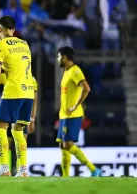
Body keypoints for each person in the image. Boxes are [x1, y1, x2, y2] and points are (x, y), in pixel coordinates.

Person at [0, 15, 35, 177]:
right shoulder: (25, 44)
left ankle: (4, 169)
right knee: (18, 131)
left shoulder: (0, 45)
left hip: (13, 91)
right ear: (13, 30)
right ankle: (23, 171)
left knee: (0, 127)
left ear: (0, 29)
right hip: (29, 91)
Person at [56, 46, 102, 177]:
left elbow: (86, 88)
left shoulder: (75, 71)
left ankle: (94, 170)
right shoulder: (66, 72)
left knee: (68, 144)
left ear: (65, 58)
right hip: (64, 115)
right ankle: (65, 177)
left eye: (59, 57)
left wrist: (75, 106)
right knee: (62, 145)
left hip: (73, 115)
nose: (58, 59)